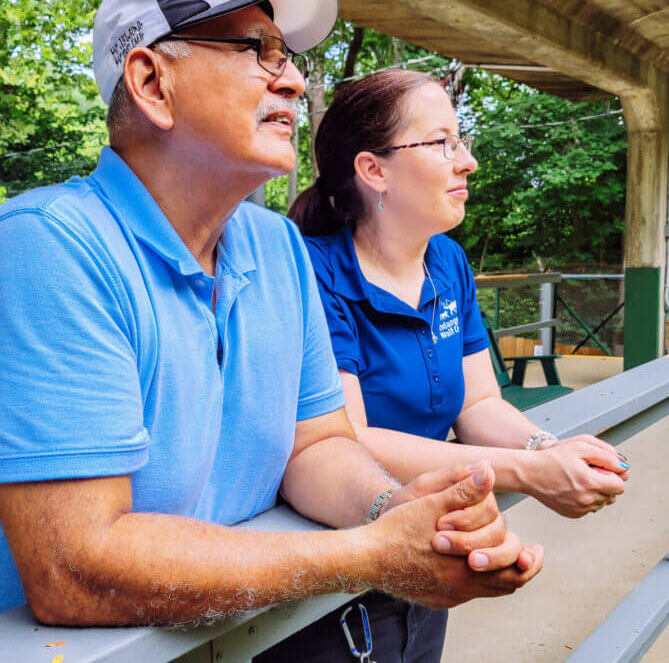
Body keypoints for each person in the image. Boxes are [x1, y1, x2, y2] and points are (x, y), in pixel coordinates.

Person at [0, 0, 546, 660]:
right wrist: (371, 555)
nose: (296, 81)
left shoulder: (277, 248)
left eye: (289, 56)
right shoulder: (46, 248)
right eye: (261, 50)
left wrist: (391, 508)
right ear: (153, 82)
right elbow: (76, 566)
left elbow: (316, 447)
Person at [270, 69, 631, 662]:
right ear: (373, 170)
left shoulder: (448, 261)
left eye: (460, 142)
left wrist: (550, 448)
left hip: (433, 549)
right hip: (340, 567)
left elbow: (477, 403)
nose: (467, 162)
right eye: (442, 143)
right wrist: (529, 474)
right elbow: (348, 438)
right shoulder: (313, 272)